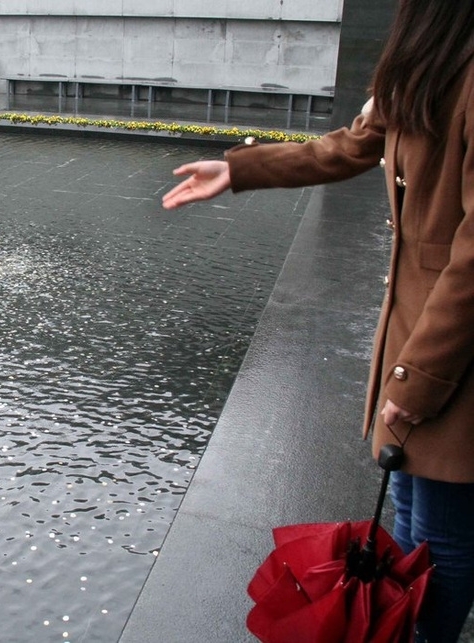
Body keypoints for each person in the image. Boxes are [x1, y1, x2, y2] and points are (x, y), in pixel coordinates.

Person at [162, 1, 474, 640]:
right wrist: (238, 168)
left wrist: (417, 384)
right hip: (419, 336)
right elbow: (352, 145)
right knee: (412, 518)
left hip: (452, 353)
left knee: (444, 538)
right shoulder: (432, 57)